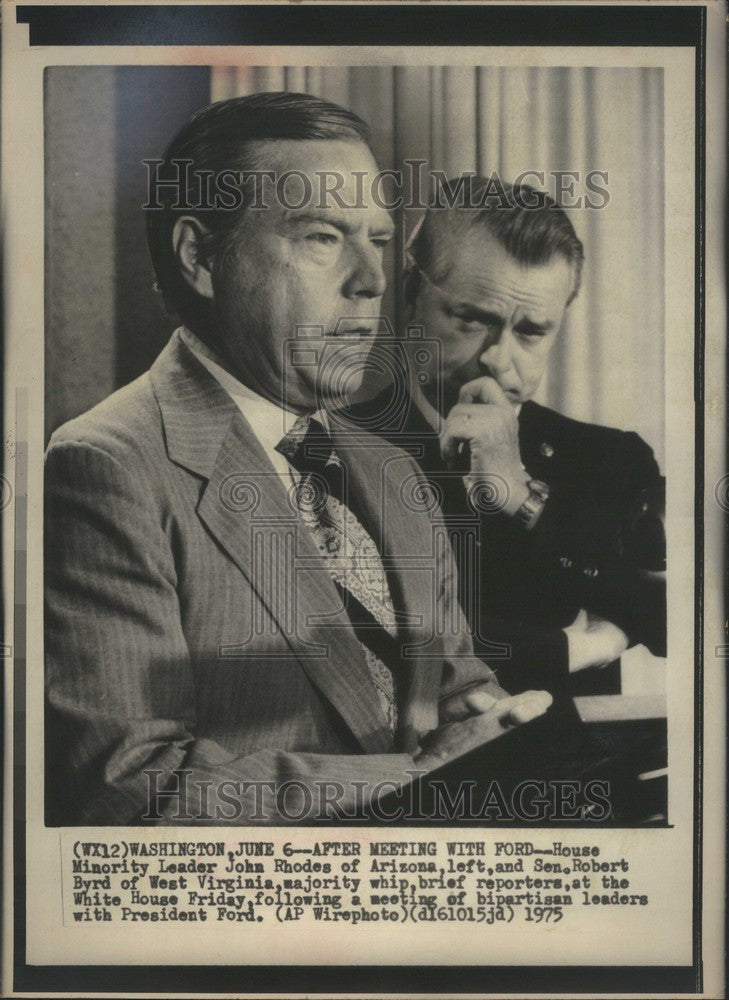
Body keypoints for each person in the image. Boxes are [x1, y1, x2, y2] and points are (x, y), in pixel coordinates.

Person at [44, 97, 551, 826]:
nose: (371, 280)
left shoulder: (391, 471)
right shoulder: (106, 467)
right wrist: (419, 774)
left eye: (377, 239)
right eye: (322, 236)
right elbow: (127, 789)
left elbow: (451, 691)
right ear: (201, 257)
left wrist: (493, 727)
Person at [347, 178, 666, 695]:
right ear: (409, 299)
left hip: (584, 774)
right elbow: (357, 648)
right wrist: (582, 647)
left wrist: (521, 497)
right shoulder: (328, 450)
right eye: (473, 320)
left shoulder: (611, 459)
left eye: (532, 331)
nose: (499, 358)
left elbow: (682, 613)